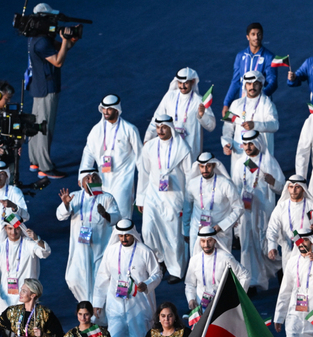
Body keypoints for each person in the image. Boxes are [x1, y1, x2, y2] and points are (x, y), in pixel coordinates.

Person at [185, 227, 249, 337]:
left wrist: (235, 298)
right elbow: (190, 284)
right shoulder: (195, 260)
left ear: (215, 240)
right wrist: (191, 300)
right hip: (201, 310)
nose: (206, 244)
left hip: (221, 308)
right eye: (203, 241)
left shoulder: (226, 258)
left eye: (209, 240)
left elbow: (244, 275)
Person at [94, 220, 162, 337]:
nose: (124, 238)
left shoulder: (145, 251)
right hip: (115, 303)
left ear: (133, 234)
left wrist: (147, 284)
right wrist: (98, 302)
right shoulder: (111, 251)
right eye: (121, 235)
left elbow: (157, 274)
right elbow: (102, 276)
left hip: (138, 305)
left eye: (127, 235)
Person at [136, 115, 192, 283]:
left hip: (174, 196)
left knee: (172, 234)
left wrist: (188, 202)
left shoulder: (182, 148)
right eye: (158, 127)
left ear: (170, 128)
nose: (160, 130)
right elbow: (144, 173)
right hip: (153, 194)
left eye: (164, 127)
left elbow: (189, 175)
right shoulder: (150, 147)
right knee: (148, 230)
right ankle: (159, 260)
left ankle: (176, 268)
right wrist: (140, 198)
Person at [25, 2, 76, 180]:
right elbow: (58, 61)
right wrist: (64, 41)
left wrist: (70, 39)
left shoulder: (34, 37)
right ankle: (45, 168)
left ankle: (34, 161)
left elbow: (62, 48)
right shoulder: (42, 42)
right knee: (45, 128)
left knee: (34, 126)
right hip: (47, 89)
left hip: (37, 87)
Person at [230, 129, 285, 290]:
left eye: (250, 143)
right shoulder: (241, 163)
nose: (247, 147)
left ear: (258, 143)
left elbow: (282, 188)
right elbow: (235, 188)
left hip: (264, 212)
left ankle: (281, 271)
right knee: (247, 247)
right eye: (245, 144)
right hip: (246, 212)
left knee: (265, 245)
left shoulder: (269, 162)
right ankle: (251, 284)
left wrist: (272, 181)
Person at [57, 172, 119, 305]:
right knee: (74, 279)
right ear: (81, 183)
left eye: (94, 177)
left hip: (100, 248)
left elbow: (116, 218)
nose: (91, 179)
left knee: (99, 279)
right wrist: (66, 205)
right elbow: (60, 216)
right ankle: (86, 306)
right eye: (88, 178)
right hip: (79, 249)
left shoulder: (107, 198)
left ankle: (95, 311)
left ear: (100, 182)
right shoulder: (74, 196)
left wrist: (105, 214)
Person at [80, 95, 142, 222]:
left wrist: (142, 192)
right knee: (101, 218)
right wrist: (83, 175)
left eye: (109, 109)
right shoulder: (96, 130)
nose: (106, 112)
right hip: (101, 181)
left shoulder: (130, 130)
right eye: (103, 109)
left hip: (122, 182)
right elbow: (88, 151)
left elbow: (141, 159)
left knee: (121, 218)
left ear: (116, 109)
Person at [0, 218, 51, 320]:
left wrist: (36, 239)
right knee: (7, 331)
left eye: (17, 228)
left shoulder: (28, 244)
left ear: (21, 228)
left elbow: (45, 253)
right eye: (10, 228)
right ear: (5, 228)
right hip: (6, 297)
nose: (13, 232)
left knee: (26, 330)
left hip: (26, 296)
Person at [146, 68, 217, 158]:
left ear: (192, 81)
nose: (182, 86)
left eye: (186, 83)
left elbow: (211, 126)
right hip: (170, 150)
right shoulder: (169, 97)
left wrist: (202, 115)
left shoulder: (199, 101)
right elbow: (157, 118)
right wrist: (148, 138)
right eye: (180, 83)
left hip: (191, 152)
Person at [183, 152, 243, 258]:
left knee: (221, 265)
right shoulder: (192, 184)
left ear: (214, 165)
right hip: (198, 230)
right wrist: (186, 230)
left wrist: (222, 225)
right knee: (197, 263)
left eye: (208, 166)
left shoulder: (225, 184)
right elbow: (187, 208)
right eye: (202, 166)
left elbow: (239, 208)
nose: (205, 170)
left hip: (220, 232)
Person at [266, 176, 313, 266]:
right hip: (288, 253)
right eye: (291, 187)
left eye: (297, 187)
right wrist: (272, 246)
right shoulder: (281, 208)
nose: (293, 190)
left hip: (310, 253)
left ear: (303, 189)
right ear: (287, 188)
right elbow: (272, 229)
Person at [222, 22, 278, 109]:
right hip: (243, 103)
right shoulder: (240, 56)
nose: (256, 37)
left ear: (262, 36)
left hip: (261, 104)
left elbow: (273, 82)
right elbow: (236, 81)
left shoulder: (269, 57)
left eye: (259, 34)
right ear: (248, 37)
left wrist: (260, 95)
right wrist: (226, 103)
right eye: (253, 34)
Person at [221, 71, 279, 155]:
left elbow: (275, 125)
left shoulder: (267, 104)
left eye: (255, 84)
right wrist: (226, 143)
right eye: (249, 84)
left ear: (261, 85)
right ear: (245, 86)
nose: (252, 87)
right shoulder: (235, 104)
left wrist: (255, 125)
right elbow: (227, 127)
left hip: (260, 155)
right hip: (239, 153)